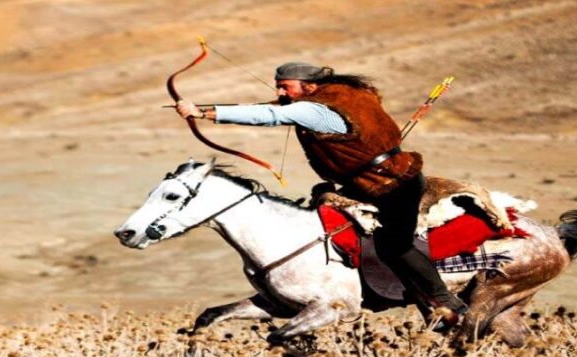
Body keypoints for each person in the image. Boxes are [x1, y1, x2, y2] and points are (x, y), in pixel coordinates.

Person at [175, 62, 468, 326]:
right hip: (369, 180)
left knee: (395, 246)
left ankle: (444, 301)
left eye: (285, 86)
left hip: (391, 184)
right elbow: (271, 108)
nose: (280, 91)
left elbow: (269, 114)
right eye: (278, 86)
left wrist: (202, 112)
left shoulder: (316, 109)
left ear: (309, 87)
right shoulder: (339, 98)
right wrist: (209, 109)